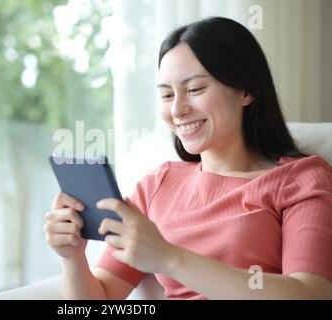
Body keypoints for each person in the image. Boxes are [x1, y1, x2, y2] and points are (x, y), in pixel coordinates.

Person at [44, 17, 332, 300]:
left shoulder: (301, 179)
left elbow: (311, 293)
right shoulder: (157, 185)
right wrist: (73, 258)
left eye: (195, 89)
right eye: (167, 95)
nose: (178, 109)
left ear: (246, 90)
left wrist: (168, 257)